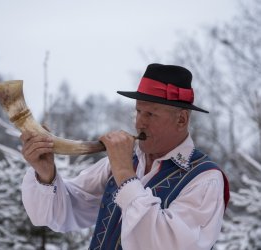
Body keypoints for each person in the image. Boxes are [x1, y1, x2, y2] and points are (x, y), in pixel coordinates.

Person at [20, 63, 230, 250]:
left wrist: (124, 175)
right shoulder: (125, 161)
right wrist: (46, 175)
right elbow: (65, 212)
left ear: (181, 120)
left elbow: (165, 244)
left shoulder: (205, 179)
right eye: (138, 112)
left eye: (151, 114)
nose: (140, 123)